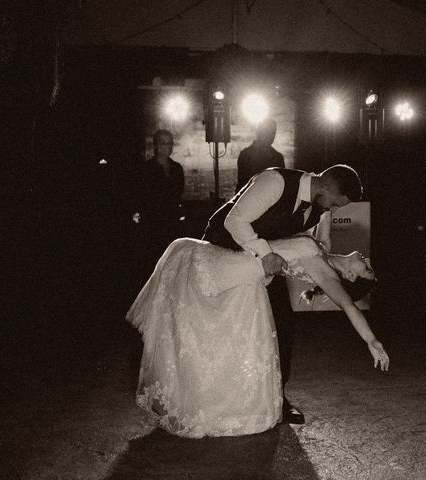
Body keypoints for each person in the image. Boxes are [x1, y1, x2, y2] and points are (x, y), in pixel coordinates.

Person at [126, 234, 389, 438]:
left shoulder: (326, 272)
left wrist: (372, 341)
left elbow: (348, 306)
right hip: (240, 266)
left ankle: (213, 407)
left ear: (351, 275)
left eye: (366, 268)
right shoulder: (323, 252)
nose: (366, 259)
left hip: (234, 269)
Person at [202, 164, 362, 424]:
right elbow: (234, 220)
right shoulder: (275, 181)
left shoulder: (318, 208)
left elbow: (309, 246)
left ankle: (276, 398)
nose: (332, 210)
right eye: (335, 203)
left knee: (281, 325)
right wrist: (265, 254)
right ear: (327, 185)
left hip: (261, 265)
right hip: (224, 254)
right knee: (225, 328)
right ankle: (217, 396)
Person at [130, 129, 185, 287]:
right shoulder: (147, 169)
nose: (167, 147)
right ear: (156, 145)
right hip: (153, 224)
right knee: (154, 264)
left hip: (172, 223)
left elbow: (178, 194)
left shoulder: (176, 168)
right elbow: (142, 196)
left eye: (170, 143)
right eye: (163, 143)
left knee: (173, 262)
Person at [236, 118, 285, 193]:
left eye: (273, 132)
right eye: (269, 132)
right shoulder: (277, 157)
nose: (272, 136)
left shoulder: (245, 154)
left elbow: (241, 184)